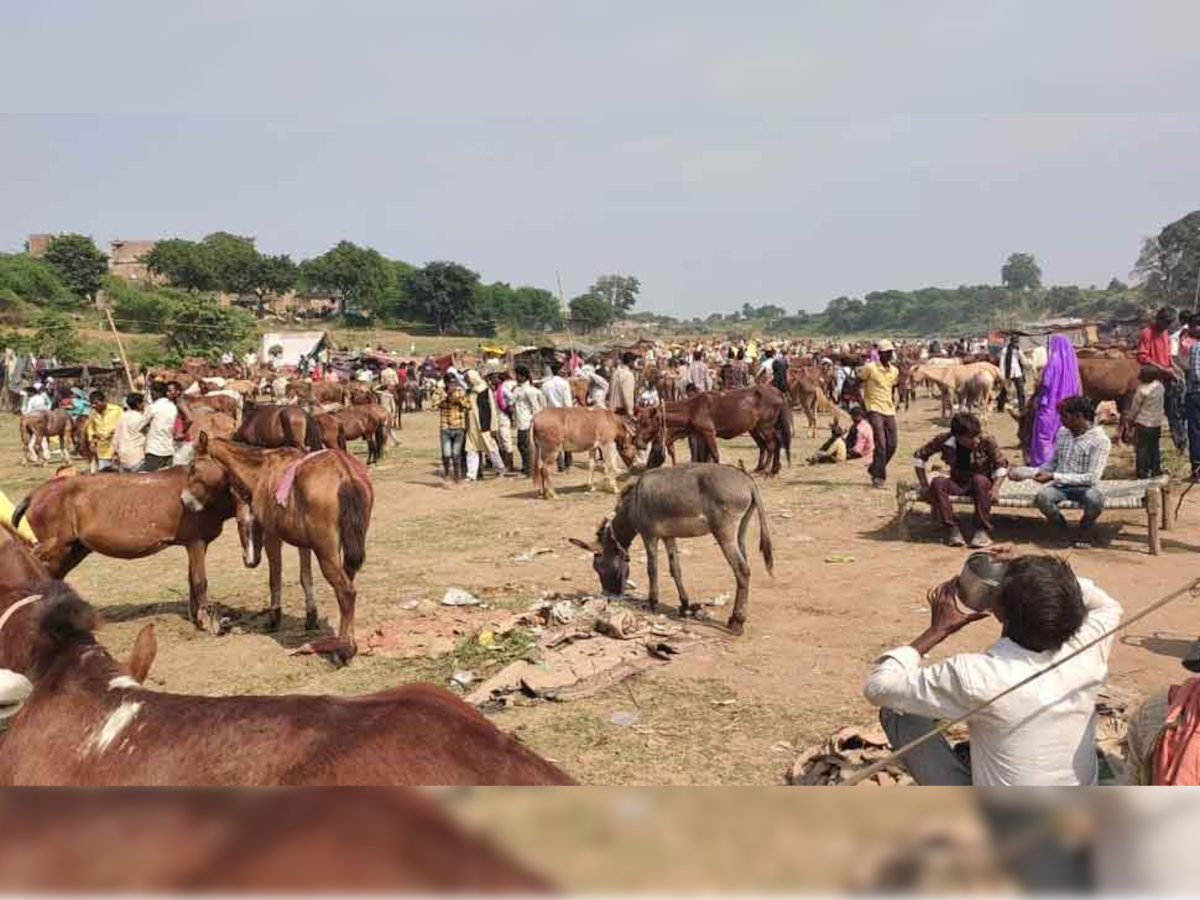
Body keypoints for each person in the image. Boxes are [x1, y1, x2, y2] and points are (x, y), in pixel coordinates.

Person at [863, 554, 1122, 785]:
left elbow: (878, 688)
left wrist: (937, 630)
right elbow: (1107, 604)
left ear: (997, 611)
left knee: (897, 710)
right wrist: (1032, 574)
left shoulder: (976, 675)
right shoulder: (1088, 646)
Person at [1012, 395, 1110, 548]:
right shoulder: (1063, 433)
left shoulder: (1100, 440)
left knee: (1096, 501)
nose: (1061, 420)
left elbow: (1092, 478)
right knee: (1043, 498)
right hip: (1061, 486)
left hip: (1086, 488)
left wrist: (1053, 475)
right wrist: (1029, 473)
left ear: (1078, 416)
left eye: (1064, 416)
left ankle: (1085, 528)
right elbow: (1054, 462)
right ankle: (1062, 529)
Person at [913, 412, 1008, 548]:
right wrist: (923, 485)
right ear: (957, 437)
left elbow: (1002, 466)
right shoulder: (945, 440)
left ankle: (982, 531)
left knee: (979, 480)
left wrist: (995, 489)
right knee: (938, 482)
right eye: (970, 438)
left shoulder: (986, 440)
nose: (976, 440)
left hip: (981, 484)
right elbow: (919, 457)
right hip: (958, 482)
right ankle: (952, 529)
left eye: (977, 436)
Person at [1027, 334, 1082, 467]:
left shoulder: (1053, 361)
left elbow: (1045, 383)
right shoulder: (1072, 365)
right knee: (1061, 436)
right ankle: (1061, 463)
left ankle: (1044, 464)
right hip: (1066, 406)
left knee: (1043, 436)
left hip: (1050, 405)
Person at [857, 339, 900, 488]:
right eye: (887, 353)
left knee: (892, 444)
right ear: (880, 354)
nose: (889, 355)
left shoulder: (894, 370)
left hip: (889, 409)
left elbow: (891, 388)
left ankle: (874, 468)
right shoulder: (870, 368)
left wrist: (896, 401)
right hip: (873, 408)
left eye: (891, 352)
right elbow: (856, 383)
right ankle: (879, 477)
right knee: (881, 443)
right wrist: (862, 404)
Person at [464, 370, 505, 481]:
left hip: (484, 425)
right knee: (471, 449)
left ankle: (500, 469)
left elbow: (491, 409)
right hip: (472, 426)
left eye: (467, 378)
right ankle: (471, 474)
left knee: (491, 449)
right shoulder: (469, 391)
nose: (466, 381)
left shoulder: (485, 390)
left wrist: (493, 427)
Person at [1127, 366, 1165, 479]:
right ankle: (1156, 470)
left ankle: (1142, 473)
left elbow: (1135, 408)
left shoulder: (1141, 390)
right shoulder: (1160, 387)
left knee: (1142, 448)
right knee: (1154, 447)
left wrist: (1130, 420)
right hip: (1156, 423)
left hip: (1143, 423)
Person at [437, 373, 471, 486]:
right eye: (450, 383)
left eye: (454, 383)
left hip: (458, 427)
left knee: (456, 454)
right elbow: (433, 405)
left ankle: (457, 476)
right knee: (446, 454)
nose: (453, 386)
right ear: (446, 383)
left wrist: (459, 401)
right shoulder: (439, 392)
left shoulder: (460, 392)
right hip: (445, 426)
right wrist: (445, 399)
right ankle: (446, 475)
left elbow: (469, 405)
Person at [510, 365, 544, 477]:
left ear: (523, 377)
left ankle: (529, 469)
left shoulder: (528, 391)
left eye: (518, 375)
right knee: (523, 445)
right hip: (523, 422)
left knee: (525, 446)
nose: (516, 378)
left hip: (527, 422)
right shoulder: (521, 389)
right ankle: (528, 467)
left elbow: (536, 408)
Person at [137, 382, 179, 472]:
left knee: (150, 479)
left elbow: (140, 426)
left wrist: (148, 432)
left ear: (154, 393)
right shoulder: (173, 407)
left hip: (154, 449)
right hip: (168, 449)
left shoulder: (153, 407)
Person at [541, 361, 573, 472]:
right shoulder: (564, 383)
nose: (564, 371)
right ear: (559, 370)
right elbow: (568, 403)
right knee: (567, 438)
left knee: (556, 441)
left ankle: (561, 465)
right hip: (563, 413)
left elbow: (543, 404)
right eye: (563, 369)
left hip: (551, 414)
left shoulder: (545, 385)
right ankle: (568, 463)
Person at [84, 390, 122, 472]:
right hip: (102, 450)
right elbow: (90, 428)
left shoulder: (117, 410)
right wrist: (91, 441)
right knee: (104, 476)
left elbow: (124, 424)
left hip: (116, 449)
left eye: (96, 403)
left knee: (119, 476)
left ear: (104, 401)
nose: (94, 406)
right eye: (92, 404)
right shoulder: (93, 414)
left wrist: (113, 432)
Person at [112, 393, 147, 472]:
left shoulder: (121, 417)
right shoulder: (141, 419)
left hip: (123, 457)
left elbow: (115, 438)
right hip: (137, 457)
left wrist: (115, 453)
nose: (144, 405)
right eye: (143, 402)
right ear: (138, 404)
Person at [1001, 334, 1031, 411]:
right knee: (1004, 390)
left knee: (1021, 391)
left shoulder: (1018, 350)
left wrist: (1028, 363)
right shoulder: (1005, 350)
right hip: (1008, 372)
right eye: (1014, 342)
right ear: (1011, 342)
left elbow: (1023, 360)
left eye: (1017, 342)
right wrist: (1002, 374)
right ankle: (1000, 406)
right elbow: (1002, 362)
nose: (1016, 344)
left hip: (1017, 372)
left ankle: (1022, 407)